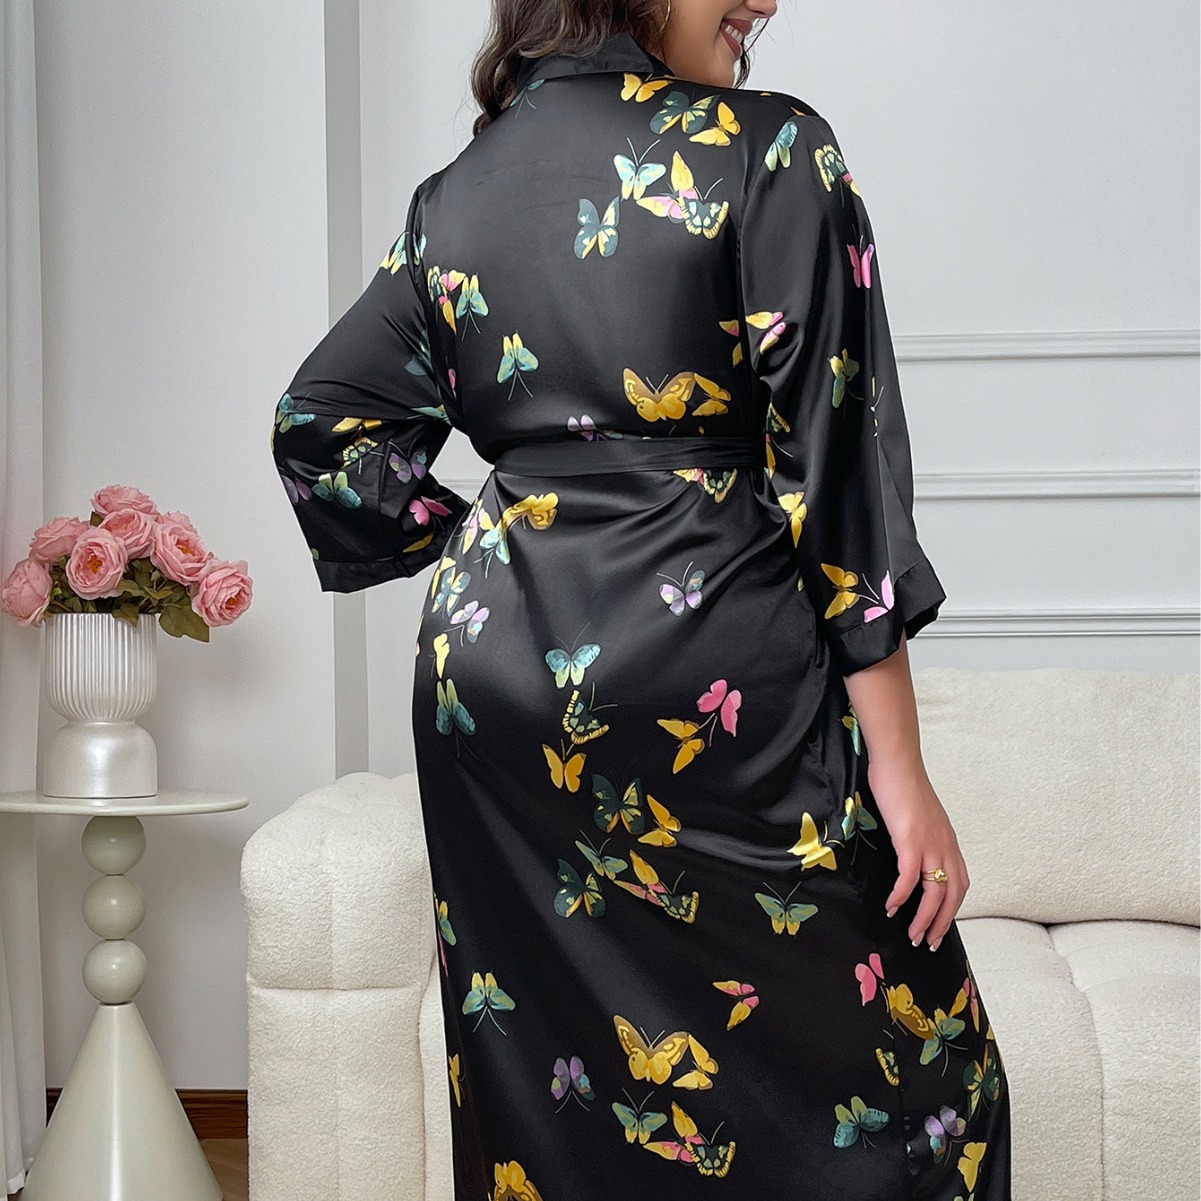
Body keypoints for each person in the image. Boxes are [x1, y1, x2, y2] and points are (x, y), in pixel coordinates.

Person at [270, 2, 1013, 1197]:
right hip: (711, 661)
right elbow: (838, 475)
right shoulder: (768, 148)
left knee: (555, 1092)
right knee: (930, 1090)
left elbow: (319, 426)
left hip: (495, 680)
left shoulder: (457, 194)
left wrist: (491, 546)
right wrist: (899, 765)